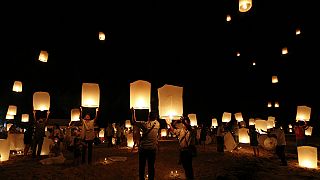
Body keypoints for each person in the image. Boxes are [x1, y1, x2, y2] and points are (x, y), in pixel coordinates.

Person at [131, 108, 160, 180]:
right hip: (152, 149)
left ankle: (141, 178)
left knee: (142, 166)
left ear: (148, 117)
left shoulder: (145, 125)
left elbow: (133, 121)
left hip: (143, 149)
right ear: (155, 117)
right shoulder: (157, 124)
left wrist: (133, 112)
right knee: (151, 167)